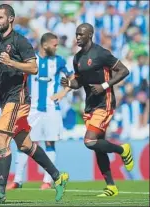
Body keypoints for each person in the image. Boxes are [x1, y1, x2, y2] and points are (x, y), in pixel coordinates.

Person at [0, 4, 68, 204]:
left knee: (0, 142)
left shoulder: (20, 41)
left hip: (19, 98)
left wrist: (12, 62)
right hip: (6, 99)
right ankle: (58, 177)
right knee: (24, 144)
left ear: (11, 19)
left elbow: (33, 68)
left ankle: (0, 191)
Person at [56, 23, 134, 197]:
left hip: (104, 103)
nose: (77, 37)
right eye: (76, 34)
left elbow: (124, 70)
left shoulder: (101, 53)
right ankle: (111, 187)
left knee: (89, 141)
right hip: (90, 105)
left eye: (80, 34)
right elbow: (79, 81)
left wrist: (105, 85)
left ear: (90, 35)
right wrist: (70, 84)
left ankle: (123, 150)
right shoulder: (77, 58)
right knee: (98, 147)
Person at [7, 32, 73, 190]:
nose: (57, 48)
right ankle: (17, 180)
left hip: (51, 109)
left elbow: (72, 78)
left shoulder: (59, 61)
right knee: (24, 143)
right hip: (32, 109)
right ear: (45, 45)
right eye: (54, 45)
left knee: (50, 142)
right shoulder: (31, 61)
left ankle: (47, 181)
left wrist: (63, 93)